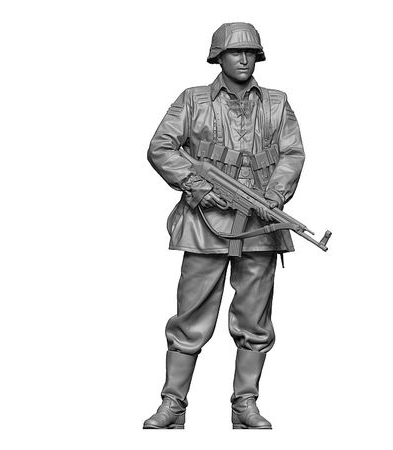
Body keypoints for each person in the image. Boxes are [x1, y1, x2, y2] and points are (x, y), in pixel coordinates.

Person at [143, 22, 305, 429]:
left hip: (259, 226)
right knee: (190, 317)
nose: (244, 59)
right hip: (205, 225)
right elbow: (161, 147)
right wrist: (197, 186)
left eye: (251, 52)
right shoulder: (194, 100)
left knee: (254, 320)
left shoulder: (276, 103)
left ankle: (245, 404)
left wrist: (274, 196)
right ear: (218, 56)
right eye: (235, 52)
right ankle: (173, 403)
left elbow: (292, 153)